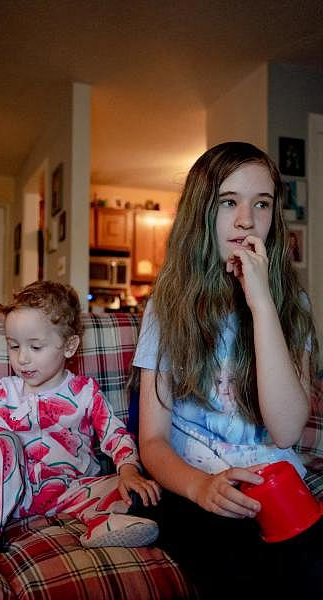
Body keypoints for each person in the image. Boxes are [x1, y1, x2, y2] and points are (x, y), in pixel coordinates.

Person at [133, 142, 322, 599]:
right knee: (237, 569)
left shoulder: (290, 305)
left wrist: (262, 304)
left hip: (269, 473)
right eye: (229, 202)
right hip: (192, 481)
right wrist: (200, 488)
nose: (246, 219)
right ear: (202, 212)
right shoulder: (167, 306)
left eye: (262, 204)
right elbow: (153, 441)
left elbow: (286, 430)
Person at [0, 280, 160, 548]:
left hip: (72, 492)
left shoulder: (84, 392)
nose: (22, 358)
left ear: (69, 346)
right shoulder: (2, 393)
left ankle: (103, 525)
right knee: (2, 441)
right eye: (14, 346)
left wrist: (128, 470)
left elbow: (115, 434)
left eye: (35, 347)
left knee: (126, 487)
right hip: (15, 497)